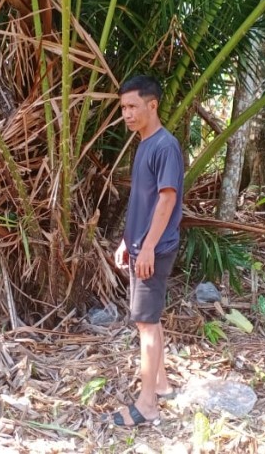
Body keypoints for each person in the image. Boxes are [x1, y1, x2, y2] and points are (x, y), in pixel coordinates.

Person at [108, 75, 184, 427]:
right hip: (142, 245)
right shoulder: (144, 143)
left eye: (132, 106)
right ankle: (163, 385)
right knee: (149, 320)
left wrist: (149, 246)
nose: (126, 113)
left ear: (152, 106)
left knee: (145, 324)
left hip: (155, 248)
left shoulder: (165, 146)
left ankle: (147, 404)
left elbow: (167, 200)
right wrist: (129, 240)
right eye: (123, 107)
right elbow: (145, 201)